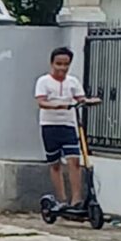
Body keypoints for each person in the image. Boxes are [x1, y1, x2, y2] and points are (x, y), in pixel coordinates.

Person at [35, 45, 96, 214]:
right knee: (55, 164)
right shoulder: (44, 81)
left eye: (65, 64)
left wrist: (89, 101)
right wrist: (58, 105)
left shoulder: (73, 82)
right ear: (52, 63)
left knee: (74, 161)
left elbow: (80, 98)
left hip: (69, 125)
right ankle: (61, 199)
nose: (62, 68)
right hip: (49, 126)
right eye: (58, 64)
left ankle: (76, 200)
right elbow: (41, 102)